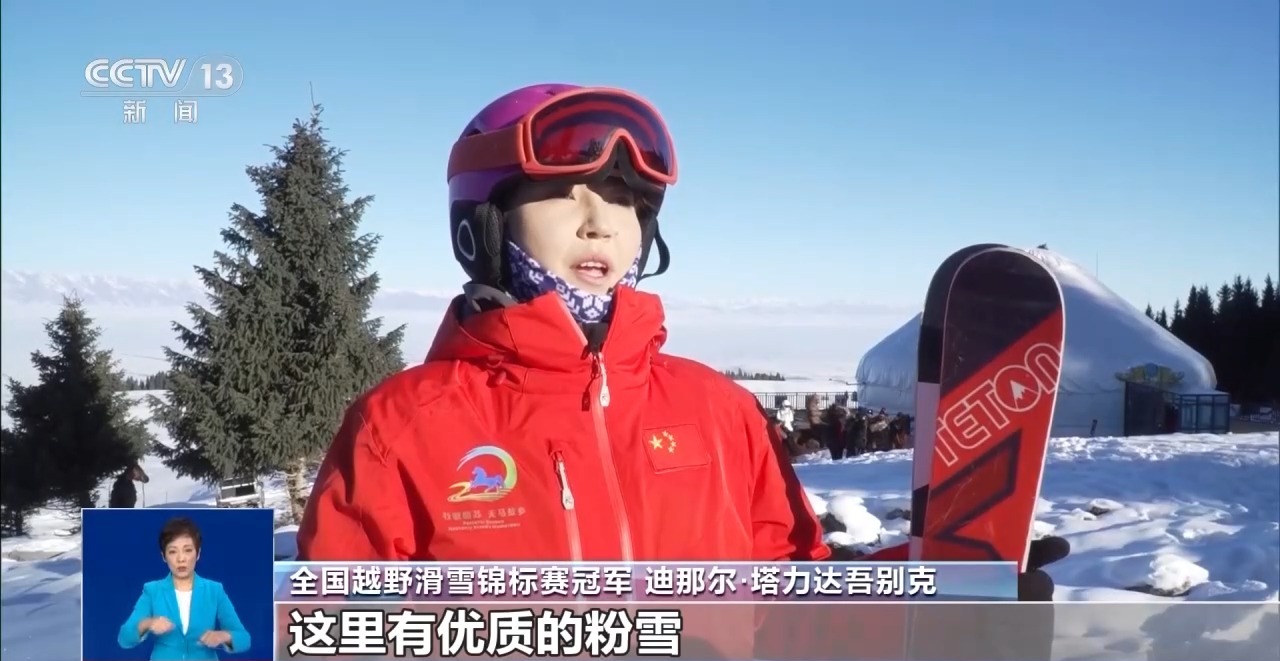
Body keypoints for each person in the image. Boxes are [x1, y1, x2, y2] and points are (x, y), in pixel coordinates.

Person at [296, 82, 1069, 657]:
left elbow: (790, 605)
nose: (600, 222)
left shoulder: (717, 411)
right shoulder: (403, 426)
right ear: (483, 224)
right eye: (563, 195)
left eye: (626, 202)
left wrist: (928, 592)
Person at [117, 517, 250, 660]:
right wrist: (147, 623)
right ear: (163, 556)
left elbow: (244, 639)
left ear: (198, 554)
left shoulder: (214, 590)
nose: (181, 559)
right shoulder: (152, 591)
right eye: (173, 552)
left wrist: (223, 636)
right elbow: (124, 638)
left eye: (188, 550)